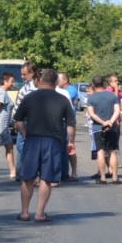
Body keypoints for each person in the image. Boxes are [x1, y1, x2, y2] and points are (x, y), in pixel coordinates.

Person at [13, 69, 76, 222]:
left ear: (40, 80)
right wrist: (70, 142)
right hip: (52, 141)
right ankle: (39, 214)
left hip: (33, 140)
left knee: (28, 178)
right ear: (56, 83)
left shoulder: (29, 97)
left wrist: (24, 133)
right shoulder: (62, 100)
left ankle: (24, 213)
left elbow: (18, 121)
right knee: (46, 178)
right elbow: (70, 124)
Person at [86, 75, 121, 184]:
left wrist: (103, 122)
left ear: (93, 84)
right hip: (112, 128)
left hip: (98, 128)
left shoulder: (91, 98)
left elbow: (91, 114)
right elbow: (117, 111)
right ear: (104, 84)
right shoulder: (112, 96)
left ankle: (102, 178)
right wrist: (110, 122)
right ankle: (115, 177)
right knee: (112, 152)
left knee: (100, 152)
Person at [14, 62, 38, 180]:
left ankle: (27, 173)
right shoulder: (25, 87)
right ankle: (21, 173)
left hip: (30, 121)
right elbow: (18, 106)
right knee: (21, 147)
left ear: (32, 73)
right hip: (22, 121)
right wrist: (16, 121)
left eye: (24, 74)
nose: (22, 77)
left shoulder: (35, 88)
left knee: (25, 147)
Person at [56, 73, 78, 182]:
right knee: (64, 149)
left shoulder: (70, 90)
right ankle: (64, 173)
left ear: (65, 80)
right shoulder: (64, 90)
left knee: (69, 147)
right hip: (65, 121)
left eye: (58, 79)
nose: (57, 81)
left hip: (68, 122)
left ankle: (72, 172)